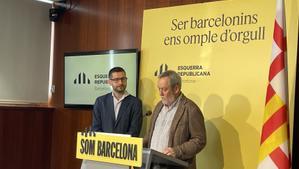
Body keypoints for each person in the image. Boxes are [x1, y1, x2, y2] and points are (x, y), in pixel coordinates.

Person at [143, 70, 206, 169]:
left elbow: (199, 140)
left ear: (176, 89)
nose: (160, 93)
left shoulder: (190, 109)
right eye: (159, 89)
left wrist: (177, 151)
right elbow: (151, 133)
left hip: (175, 166)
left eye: (164, 89)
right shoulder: (159, 106)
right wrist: (138, 145)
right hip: (152, 164)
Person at [91, 67, 143, 137]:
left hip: (125, 146)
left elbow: (134, 131)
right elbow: (96, 128)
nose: (121, 82)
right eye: (116, 80)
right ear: (109, 82)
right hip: (104, 146)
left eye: (123, 79)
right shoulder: (100, 101)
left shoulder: (136, 103)